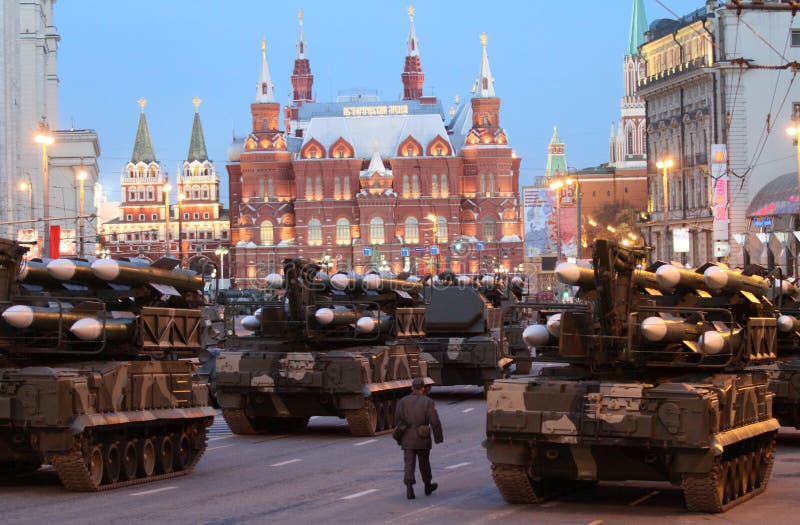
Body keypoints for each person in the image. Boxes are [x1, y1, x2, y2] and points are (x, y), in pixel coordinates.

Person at [394, 377, 443, 499]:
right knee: (424, 463)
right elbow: (435, 421)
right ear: (423, 388)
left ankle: (409, 489)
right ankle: (427, 486)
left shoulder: (402, 401)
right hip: (423, 437)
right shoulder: (428, 402)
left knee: (409, 463)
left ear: (412, 388)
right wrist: (438, 437)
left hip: (407, 437)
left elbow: (397, 419)